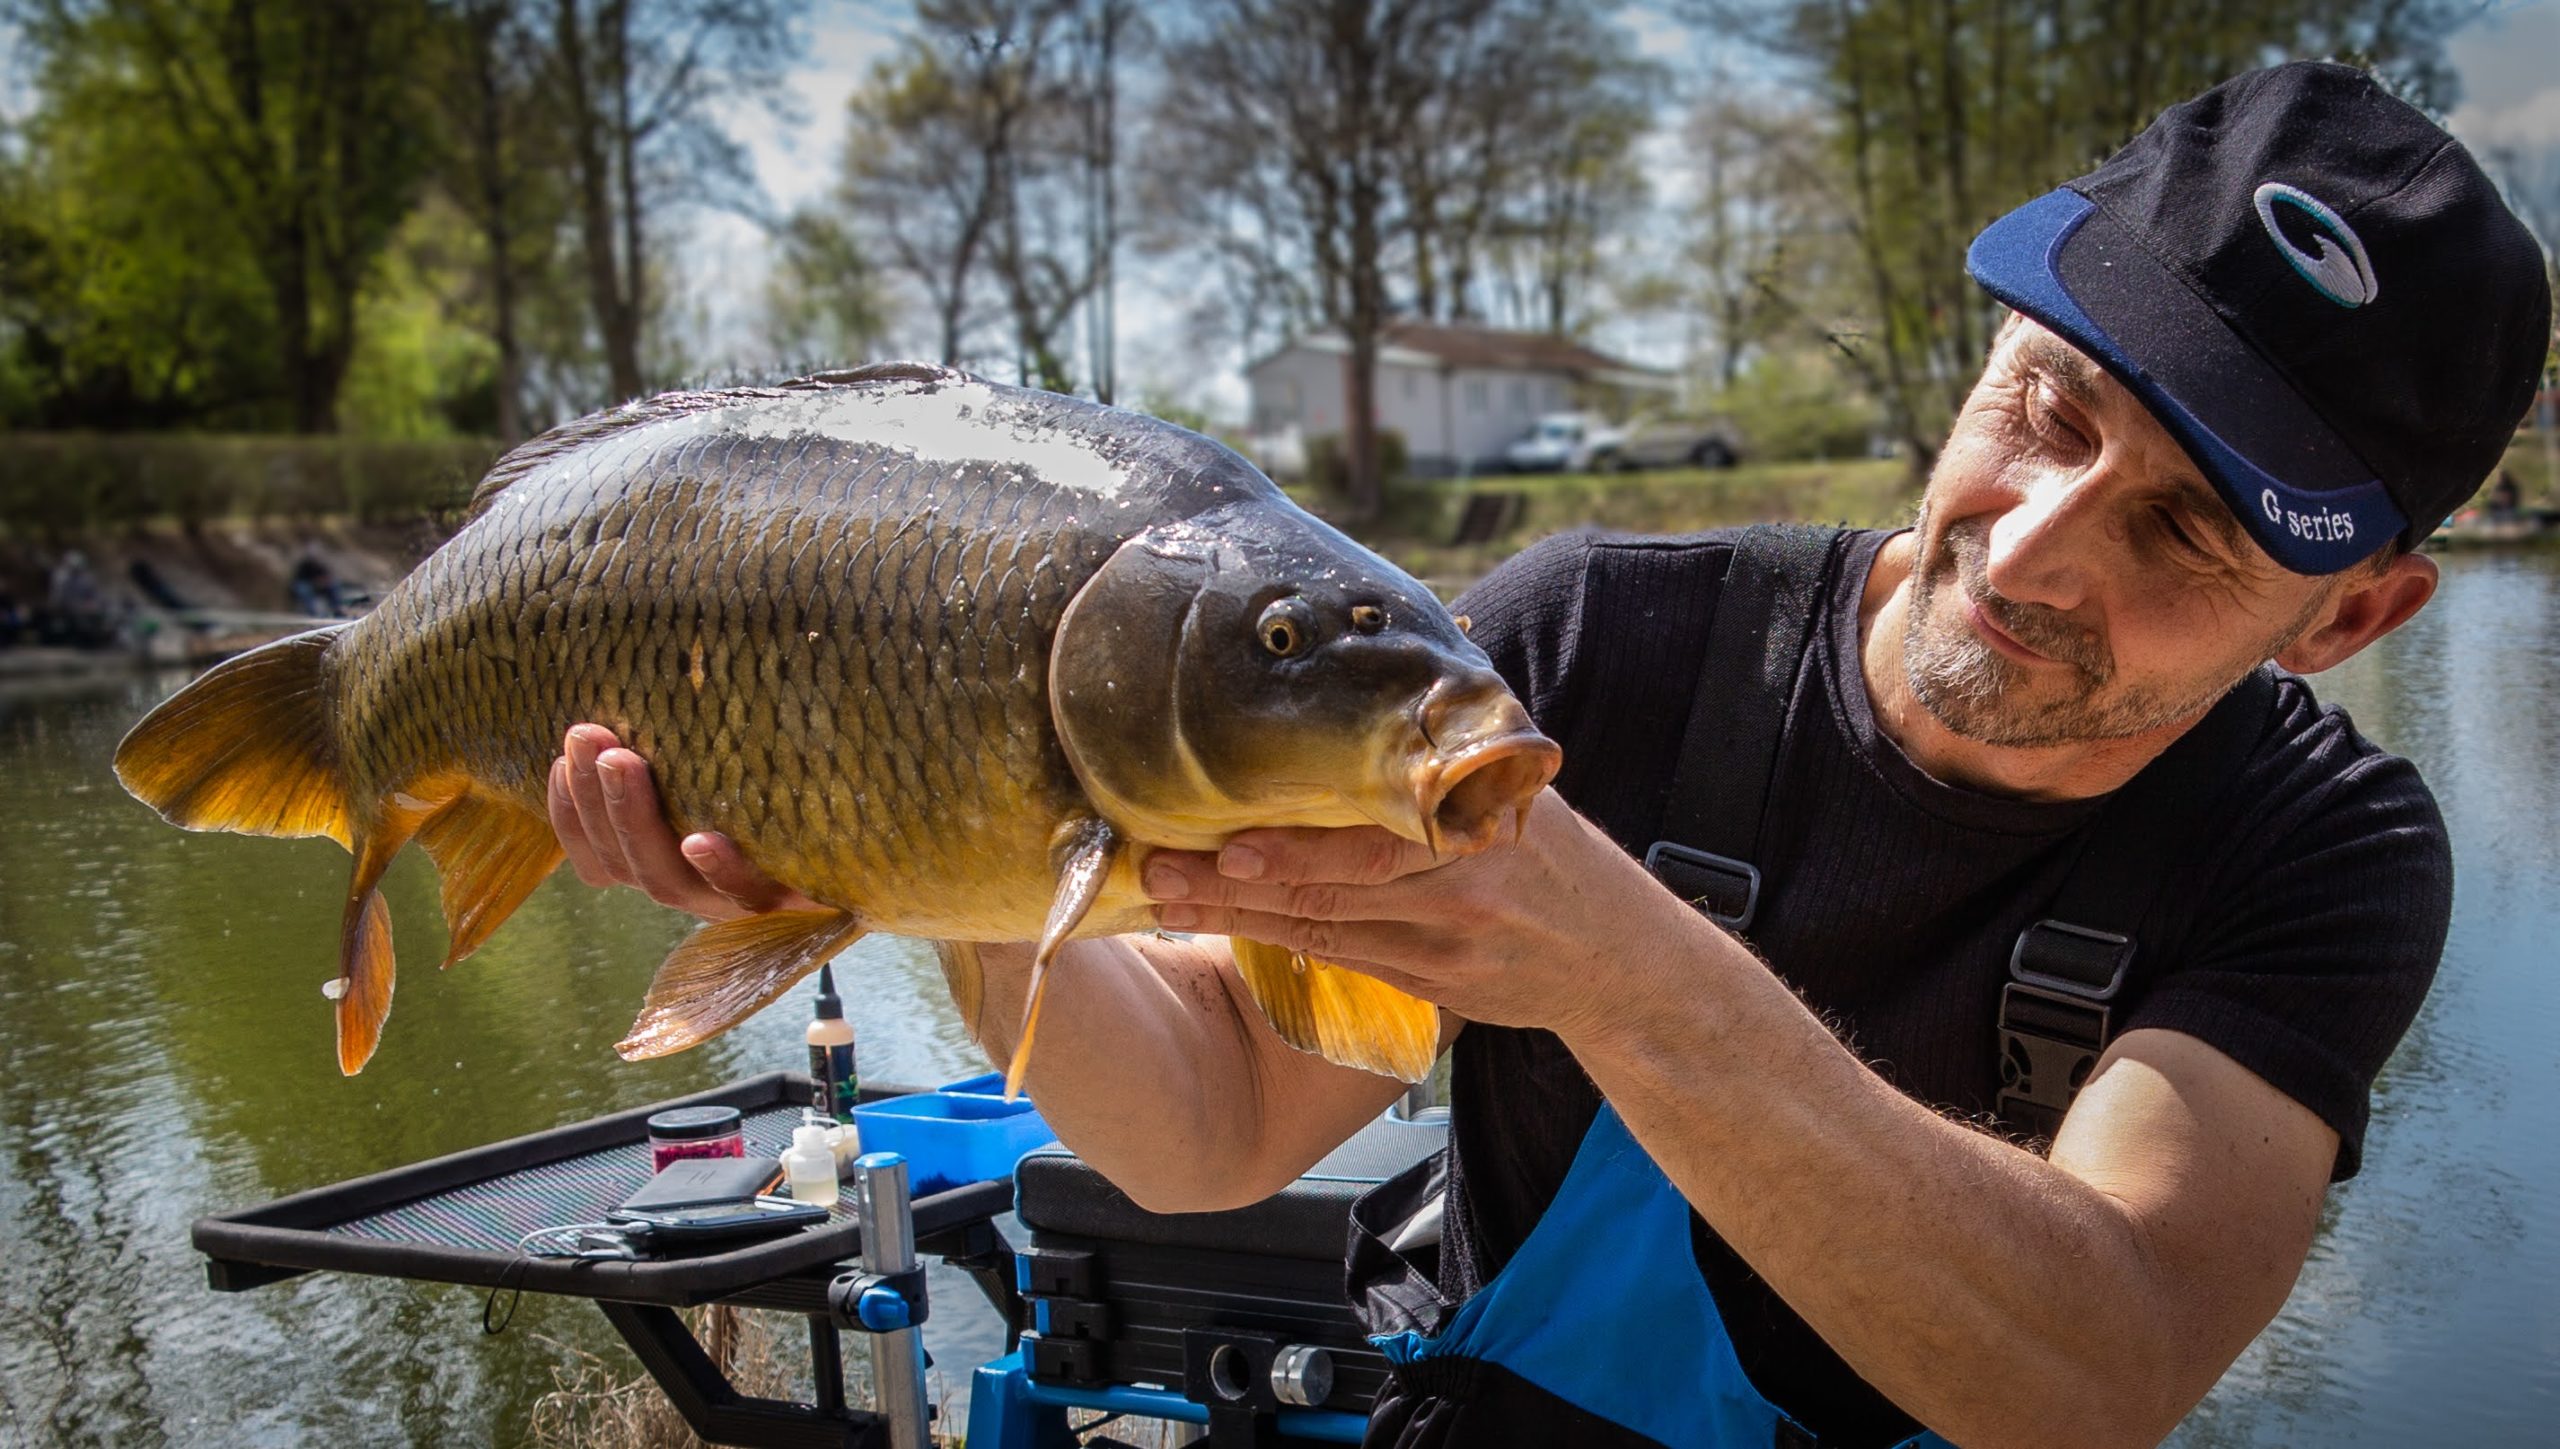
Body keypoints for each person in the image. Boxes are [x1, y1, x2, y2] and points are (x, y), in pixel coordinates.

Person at [550, 64, 2551, 1448]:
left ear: (2353, 611)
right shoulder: (1592, 635)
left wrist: (1608, 949)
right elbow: (1205, 1127)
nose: (2026, 545)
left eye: (2178, 531)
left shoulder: (2319, 843)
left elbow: (2087, 1370)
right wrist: (944, 865)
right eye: (2039, 407)